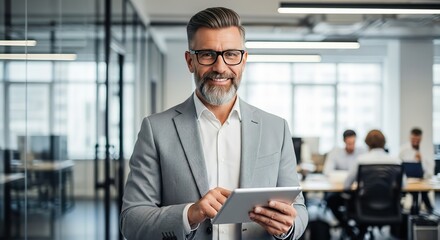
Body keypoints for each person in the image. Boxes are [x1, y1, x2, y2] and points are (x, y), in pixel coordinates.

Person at [120, 7, 307, 240]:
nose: (220, 68)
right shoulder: (156, 130)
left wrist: (288, 226)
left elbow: (298, 209)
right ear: (190, 61)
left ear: (244, 60)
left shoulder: (275, 128)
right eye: (207, 54)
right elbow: (132, 221)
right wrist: (191, 213)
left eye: (231, 54)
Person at [323, 130, 365, 235]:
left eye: (353, 143)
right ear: (344, 141)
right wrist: (349, 175)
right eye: (349, 143)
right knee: (330, 199)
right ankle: (346, 226)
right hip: (339, 189)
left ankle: (360, 230)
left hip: (356, 190)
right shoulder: (335, 152)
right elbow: (327, 171)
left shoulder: (362, 152)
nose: (351, 147)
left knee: (363, 201)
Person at [399, 127, 434, 213]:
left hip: (421, 181)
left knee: (423, 193)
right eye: (413, 139)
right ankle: (409, 213)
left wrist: (421, 161)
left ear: (421, 138)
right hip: (406, 181)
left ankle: (427, 212)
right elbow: (397, 165)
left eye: (417, 140)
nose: (415, 142)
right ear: (410, 137)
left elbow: (430, 171)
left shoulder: (425, 150)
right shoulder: (403, 150)